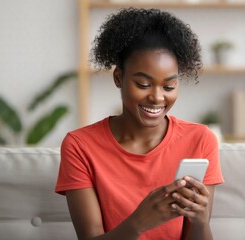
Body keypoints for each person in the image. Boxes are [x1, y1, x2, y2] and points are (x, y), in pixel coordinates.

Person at [55, 7, 224, 240]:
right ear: (118, 78)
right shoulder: (80, 146)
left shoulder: (200, 139)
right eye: (143, 84)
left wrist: (201, 221)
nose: (157, 97)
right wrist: (138, 223)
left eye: (169, 86)